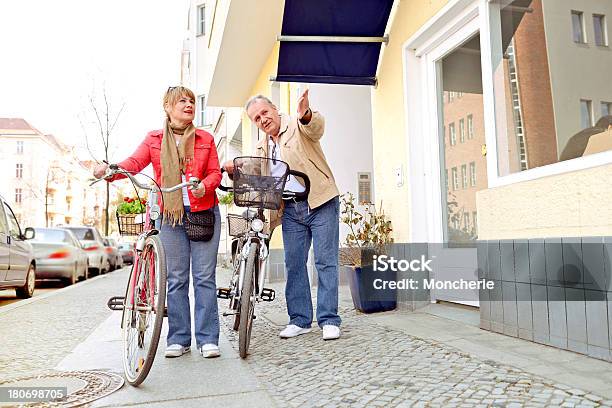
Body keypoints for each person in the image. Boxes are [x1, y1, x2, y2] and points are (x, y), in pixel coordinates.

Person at [93, 86, 223, 358]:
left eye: (191, 101)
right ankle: (179, 338)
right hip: (171, 216)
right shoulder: (154, 139)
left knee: (204, 278)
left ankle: (208, 338)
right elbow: (133, 163)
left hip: (203, 213)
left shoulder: (205, 138)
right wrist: (109, 170)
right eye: (182, 101)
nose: (188, 105)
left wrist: (205, 187)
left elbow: (214, 173)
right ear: (167, 106)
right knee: (175, 279)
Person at [223, 90, 342, 340]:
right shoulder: (261, 145)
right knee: (294, 263)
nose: (262, 119)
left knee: (324, 261)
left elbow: (315, 128)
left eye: (264, 112)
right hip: (290, 209)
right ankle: (299, 319)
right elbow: (258, 179)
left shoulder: (297, 125)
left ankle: (329, 319)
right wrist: (236, 172)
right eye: (256, 118)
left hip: (320, 200)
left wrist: (306, 114)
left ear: (275, 109)